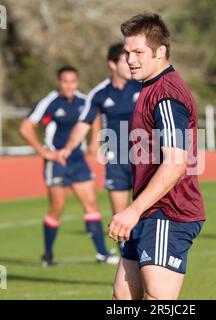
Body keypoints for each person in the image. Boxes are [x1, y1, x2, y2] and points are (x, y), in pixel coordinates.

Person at [57, 13, 206, 300]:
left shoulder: (166, 95)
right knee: (123, 297)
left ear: (160, 52)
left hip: (168, 212)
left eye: (138, 52)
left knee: (157, 298)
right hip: (149, 211)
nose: (131, 60)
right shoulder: (148, 88)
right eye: (128, 53)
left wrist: (133, 210)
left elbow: (176, 163)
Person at [19, 66, 119, 266]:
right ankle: (48, 256)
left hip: (77, 160)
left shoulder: (84, 101)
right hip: (57, 162)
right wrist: (44, 152)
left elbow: (95, 117)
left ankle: (102, 254)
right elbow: (25, 127)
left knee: (91, 204)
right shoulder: (49, 102)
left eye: (73, 81)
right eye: (65, 81)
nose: (69, 85)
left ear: (77, 82)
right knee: (57, 207)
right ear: (59, 82)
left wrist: (94, 142)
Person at [80, 43, 141, 253]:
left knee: (147, 212)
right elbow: (85, 122)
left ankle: (148, 256)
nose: (132, 63)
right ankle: (127, 260)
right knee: (120, 216)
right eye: (126, 60)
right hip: (116, 160)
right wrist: (70, 147)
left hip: (145, 158)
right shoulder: (99, 93)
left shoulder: (142, 85)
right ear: (112, 64)